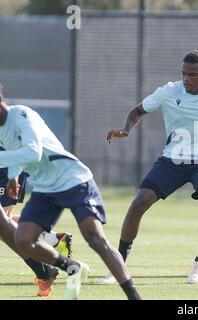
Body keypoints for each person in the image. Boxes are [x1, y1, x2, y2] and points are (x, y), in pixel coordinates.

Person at [105, 50, 198, 284]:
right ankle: (119, 265)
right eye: (184, 73)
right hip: (172, 160)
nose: (187, 79)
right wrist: (126, 129)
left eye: (193, 75)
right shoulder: (168, 91)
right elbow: (137, 110)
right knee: (139, 202)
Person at [0, 83, 141, 300]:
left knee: (95, 239)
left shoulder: (22, 115)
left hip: (73, 179)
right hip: (46, 188)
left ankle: (133, 296)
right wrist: (13, 176)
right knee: (23, 240)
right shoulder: (2, 130)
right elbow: (15, 151)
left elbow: (33, 152)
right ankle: (72, 267)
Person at [0, 166, 72, 296]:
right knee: (5, 222)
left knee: (3, 225)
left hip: (6, 168)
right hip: (8, 167)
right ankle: (53, 239)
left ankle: (44, 269)